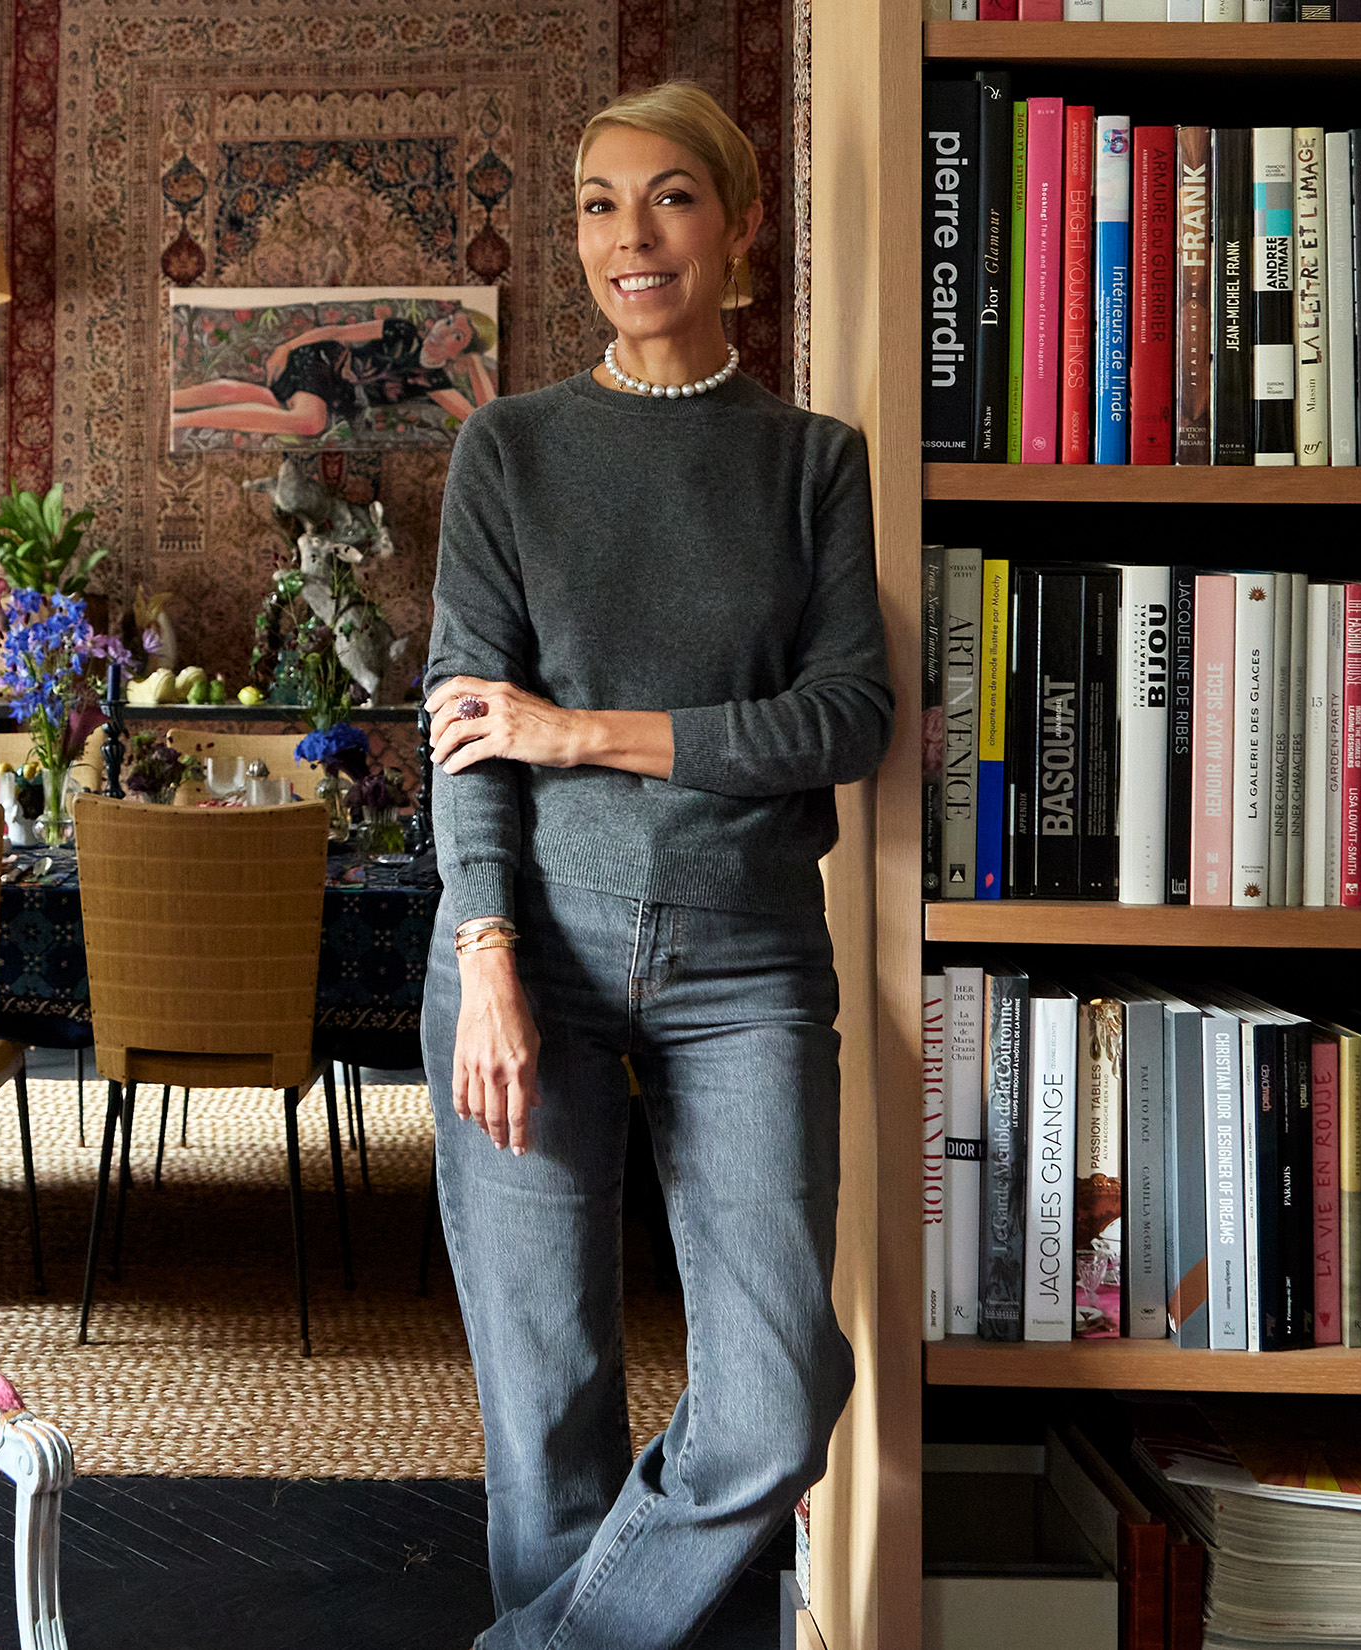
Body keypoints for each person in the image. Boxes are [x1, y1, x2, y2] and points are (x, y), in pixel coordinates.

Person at [416, 80, 890, 1650]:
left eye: (672, 195)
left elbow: (845, 715)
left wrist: (588, 734)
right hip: (526, 949)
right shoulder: (510, 450)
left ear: (741, 225)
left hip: (747, 955)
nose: (632, 233)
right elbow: (469, 732)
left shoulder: (814, 461)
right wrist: (482, 952)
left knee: (776, 1392)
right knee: (546, 1398)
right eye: (600, 200)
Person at [170, 306, 497, 437]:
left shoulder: (436, 383)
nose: (443, 329)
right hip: (324, 362)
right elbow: (337, 333)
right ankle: (178, 420)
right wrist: (286, 347)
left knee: (261, 398)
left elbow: (485, 419)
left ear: (462, 351)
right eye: (449, 320)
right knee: (309, 422)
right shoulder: (402, 330)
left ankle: (172, 402)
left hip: (333, 396)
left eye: (458, 335)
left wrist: (477, 364)